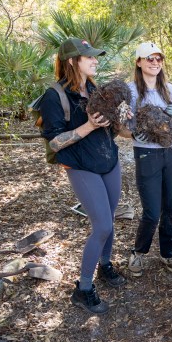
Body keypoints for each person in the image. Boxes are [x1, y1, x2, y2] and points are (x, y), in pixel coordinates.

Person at [39, 38, 126, 315]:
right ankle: (83, 289)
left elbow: (111, 130)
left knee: (110, 221)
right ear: (72, 61)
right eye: (89, 57)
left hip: (108, 161)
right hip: (81, 167)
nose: (95, 61)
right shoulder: (54, 96)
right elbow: (53, 143)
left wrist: (121, 118)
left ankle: (105, 265)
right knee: (101, 226)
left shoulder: (94, 89)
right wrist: (88, 126)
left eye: (95, 57)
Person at [125, 42, 172, 277]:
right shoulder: (130, 92)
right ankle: (138, 253)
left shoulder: (170, 90)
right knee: (151, 211)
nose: (154, 62)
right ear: (139, 62)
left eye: (158, 58)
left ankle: (167, 253)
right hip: (147, 153)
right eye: (149, 58)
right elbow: (120, 127)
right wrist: (131, 133)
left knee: (170, 208)